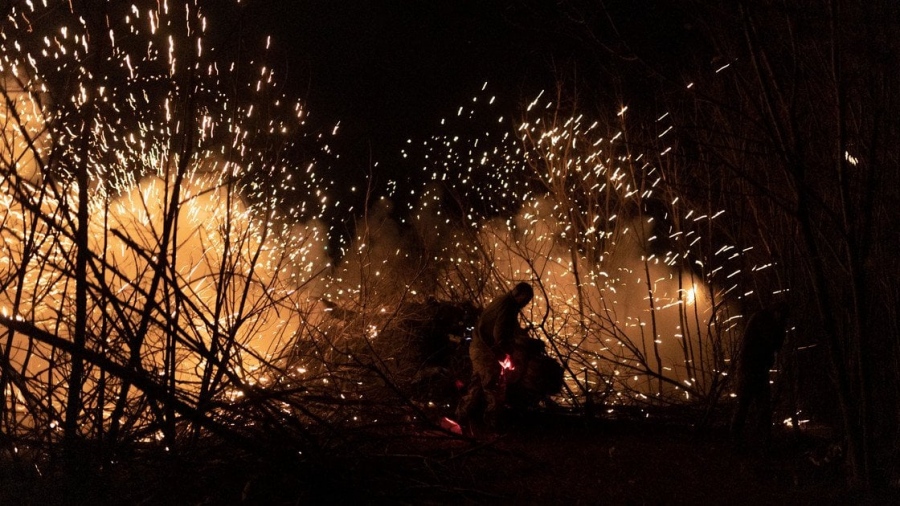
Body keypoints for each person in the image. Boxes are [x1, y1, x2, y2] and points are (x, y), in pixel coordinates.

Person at [456, 282, 534, 429]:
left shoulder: (503, 300)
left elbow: (504, 328)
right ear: (520, 295)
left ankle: (462, 417)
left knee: (478, 384)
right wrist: (507, 353)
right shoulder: (509, 306)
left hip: (479, 347)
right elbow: (499, 335)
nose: (525, 304)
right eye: (526, 299)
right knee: (494, 386)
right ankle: (494, 425)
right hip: (485, 350)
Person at [730, 303, 789, 443]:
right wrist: (781, 329)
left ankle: (762, 441)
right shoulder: (762, 319)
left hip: (759, 369)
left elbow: (776, 346)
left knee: (762, 407)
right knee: (745, 404)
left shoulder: (766, 319)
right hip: (750, 368)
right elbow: (773, 342)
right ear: (775, 312)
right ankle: (736, 439)